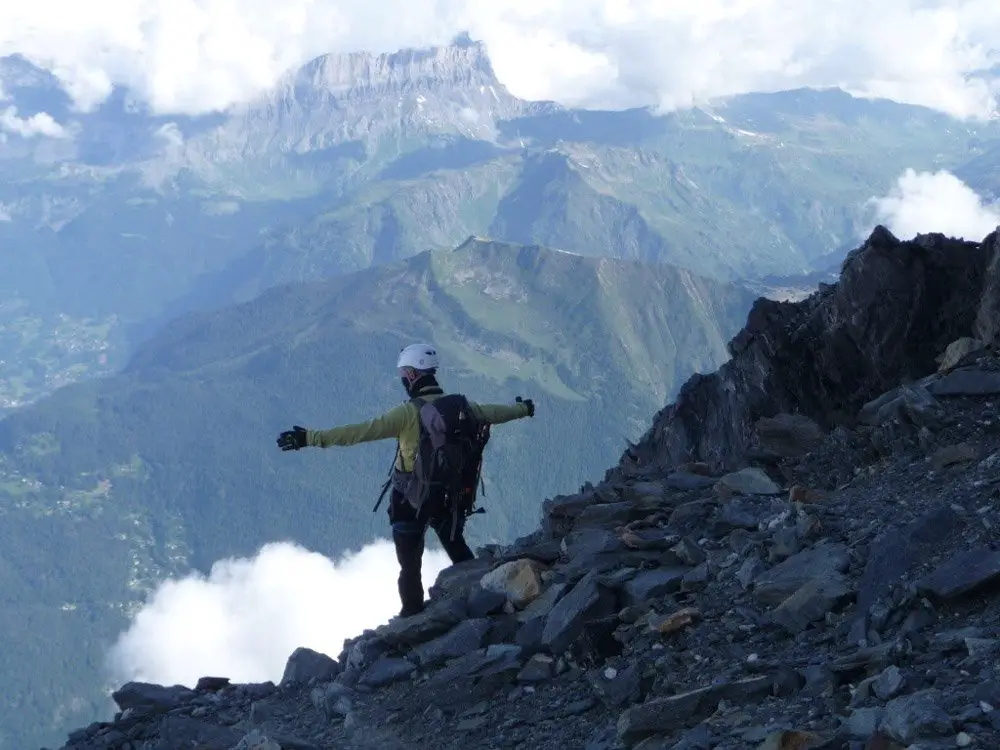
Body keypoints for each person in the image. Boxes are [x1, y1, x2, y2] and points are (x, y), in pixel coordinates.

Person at [276, 343, 534, 617]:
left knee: (410, 567)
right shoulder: (462, 407)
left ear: (412, 375)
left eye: (403, 374)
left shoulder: (407, 413)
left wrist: (310, 438)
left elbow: (360, 432)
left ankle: (412, 619)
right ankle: (487, 598)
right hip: (449, 498)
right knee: (458, 549)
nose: (402, 379)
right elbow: (496, 413)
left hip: (409, 502)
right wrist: (523, 408)